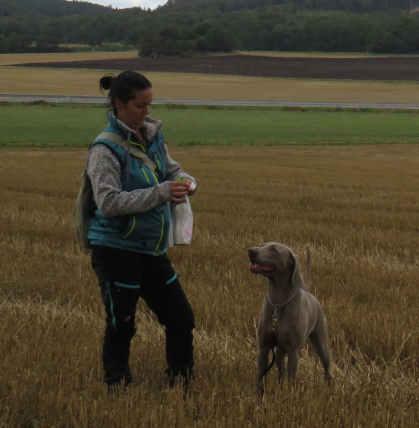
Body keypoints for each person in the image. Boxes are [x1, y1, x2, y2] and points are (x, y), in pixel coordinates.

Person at [85, 70, 197, 390]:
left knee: (181, 318)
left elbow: (171, 170)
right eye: (140, 106)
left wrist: (187, 182)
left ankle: (182, 382)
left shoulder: (152, 136)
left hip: (150, 247)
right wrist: (162, 192)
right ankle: (117, 387)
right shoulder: (104, 149)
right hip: (115, 249)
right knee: (122, 324)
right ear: (119, 105)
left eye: (150, 105)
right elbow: (108, 202)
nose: (146, 112)